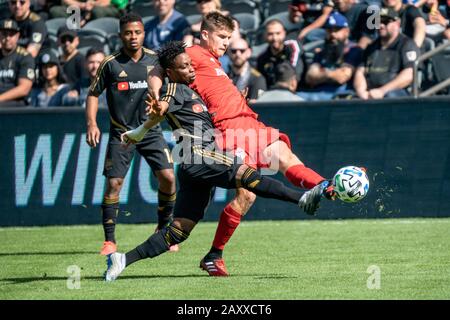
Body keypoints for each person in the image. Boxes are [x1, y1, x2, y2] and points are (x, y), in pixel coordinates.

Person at [104, 41, 316, 281]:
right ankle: (302, 199)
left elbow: (166, 115)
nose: (191, 69)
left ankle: (122, 259)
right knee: (249, 176)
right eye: (184, 67)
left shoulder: (192, 91)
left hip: (194, 165)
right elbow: (163, 105)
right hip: (199, 154)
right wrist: (158, 106)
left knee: (178, 231)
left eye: (190, 64)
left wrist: (139, 132)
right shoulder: (174, 88)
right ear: (171, 72)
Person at [148, 12, 335, 277]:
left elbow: (214, 90)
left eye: (229, 37)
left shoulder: (214, 62)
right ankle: (215, 255)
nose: (226, 43)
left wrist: (236, 96)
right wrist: (155, 94)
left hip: (247, 122)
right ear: (205, 35)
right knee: (248, 192)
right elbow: (156, 67)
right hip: (226, 131)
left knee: (285, 157)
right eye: (222, 37)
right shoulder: (192, 53)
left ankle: (325, 186)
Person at [86, 13, 176, 256]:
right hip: (122, 134)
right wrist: (91, 124)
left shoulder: (155, 61)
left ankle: (164, 229)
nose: (133, 37)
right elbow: (93, 94)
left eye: (137, 32)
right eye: (128, 33)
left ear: (144, 33)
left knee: (168, 177)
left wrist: (162, 105)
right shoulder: (110, 63)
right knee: (114, 184)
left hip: (150, 131)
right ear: (120, 35)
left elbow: (170, 92)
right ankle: (110, 241)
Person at [353, 8, 420, 99]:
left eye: (385, 21)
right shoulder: (371, 47)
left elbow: (409, 74)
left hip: (397, 93)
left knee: (390, 96)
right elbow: (360, 72)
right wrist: (362, 92)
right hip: (370, 94)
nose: (380, 25)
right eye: (377, 22)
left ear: (397, 23)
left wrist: (382, 91)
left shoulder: (407, 44)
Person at [300, 12, 363, 101]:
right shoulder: (321, 52)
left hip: (341, 96)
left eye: (337, 30)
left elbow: (342, 77)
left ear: (346, 32)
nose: (333, 34)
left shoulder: (353, 50)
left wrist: (322, 72)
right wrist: (332, 75)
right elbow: (309, 77)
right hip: (317, 95)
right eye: (329, 30)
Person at [256, 19, 304, 90]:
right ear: (265, 36)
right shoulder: (262, 58)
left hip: (295, 92)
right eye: (270, 34)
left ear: (284, 33)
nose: (274, 38)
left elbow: (294, 77)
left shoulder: (292, 47)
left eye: (278, 33)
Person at [0, 19, 34, 106]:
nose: (7, 38)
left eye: (11, 35)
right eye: (4, 34)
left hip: (16, 102)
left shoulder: (25, 56)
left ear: (17, 36)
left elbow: (24, 89)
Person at [227, 37, 267, 103]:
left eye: (242, 51)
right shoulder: (225, 76)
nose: (238, 54)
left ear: (249, 52)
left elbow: (257, 106)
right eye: (234, 51)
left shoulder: (257, 78)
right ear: (228, 52)